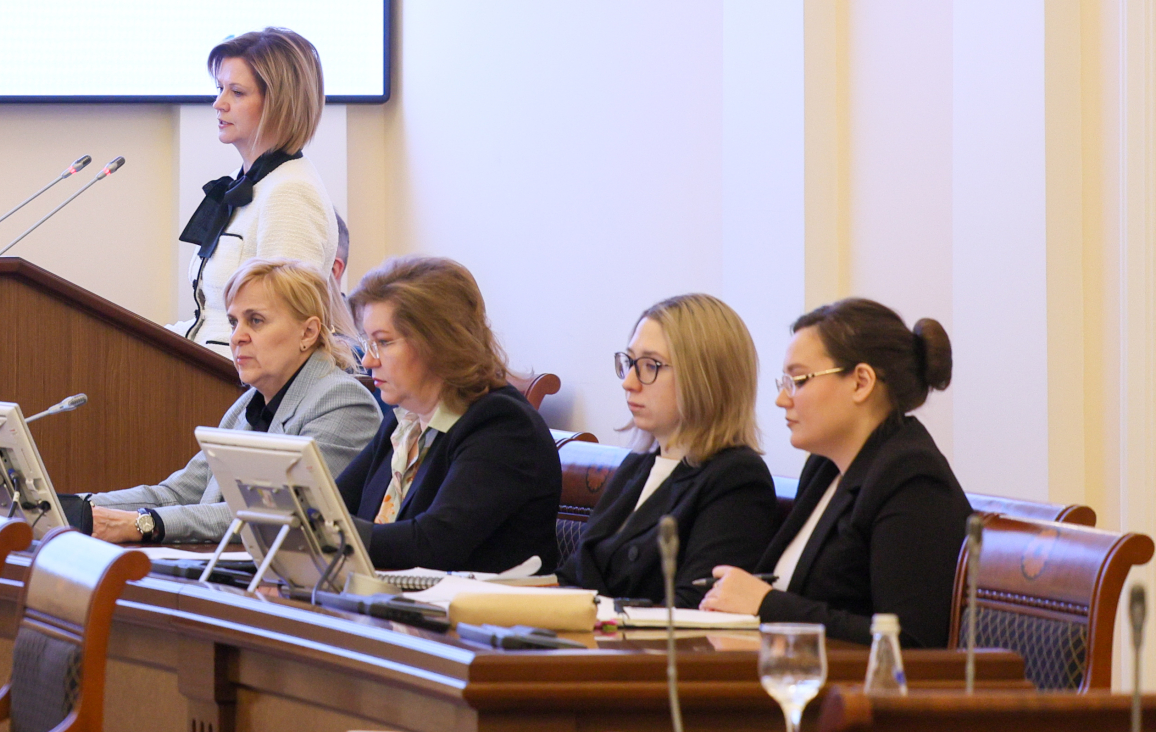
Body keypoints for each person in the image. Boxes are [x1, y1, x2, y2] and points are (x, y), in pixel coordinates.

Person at [699, 299, 970, 646]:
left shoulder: (913, 479)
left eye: (798, 380)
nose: (782, 399)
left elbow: (909, 643)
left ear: (861, 382)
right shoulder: (824, 467)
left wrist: (766, 604)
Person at [84, 259, 380, 544]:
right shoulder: (248, 404)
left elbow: (275, 514)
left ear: (308, 332)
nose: (237, 337)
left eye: (255, 321)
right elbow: (176, 494)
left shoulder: (343, 402)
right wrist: (79, 506)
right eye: (233, 322)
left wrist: (145, 523)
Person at [335, 256, 560, 575]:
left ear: (439, 343)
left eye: (383, 342)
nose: (369, 361)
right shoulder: (404, 420)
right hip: (390, 600)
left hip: (480, 606)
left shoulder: (503, 426)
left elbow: (433, 544)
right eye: (368, 343)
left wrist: (326, 533)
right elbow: (331, 502)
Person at [555, 293, 781, 605]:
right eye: (629, 362)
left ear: (704, 377)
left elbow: (695, 606)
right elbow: (574, 574)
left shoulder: (736, 478)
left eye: (650, 365)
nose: (629, 382)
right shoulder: (637, 465)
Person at [175, 28, 340, 348]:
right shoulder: (245, 180)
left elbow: (282, 330)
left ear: (280, 104)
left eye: (237, 92)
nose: (218, 103)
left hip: (236, 374)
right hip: (209, 365)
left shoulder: (291, 193)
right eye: (220, 88)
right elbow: (208, 319)